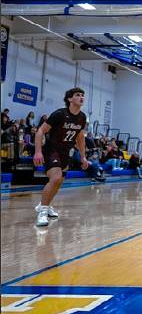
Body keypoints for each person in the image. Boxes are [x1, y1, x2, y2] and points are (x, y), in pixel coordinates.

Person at [33, 88, 89, 226]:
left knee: (59, 182)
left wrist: (83, 157)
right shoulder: (59, 114)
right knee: (56, 177)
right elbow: (41, 130)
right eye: (77, 95)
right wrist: (38, 151)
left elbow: (80, 138)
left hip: (66, 152)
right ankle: (42, 212)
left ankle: (45, 205)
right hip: (52, 149)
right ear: (70, 99)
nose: (81, 97)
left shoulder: (82, 117)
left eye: (83, 95)